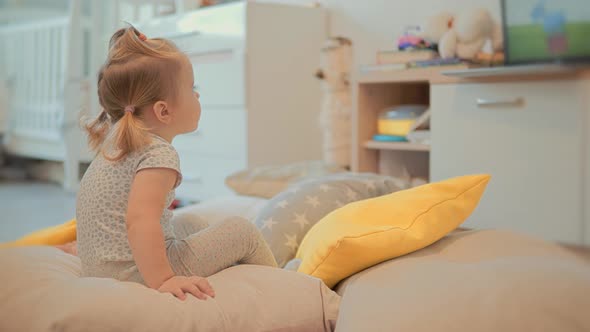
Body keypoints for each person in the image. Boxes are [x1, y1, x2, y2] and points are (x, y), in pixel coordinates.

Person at [75, 26, 277, 301]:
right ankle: (284, 282)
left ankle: (234, 266)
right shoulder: (158, 154)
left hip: (104, 266)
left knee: (190, 221)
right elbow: (140, 220)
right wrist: (164, 280)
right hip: (135, 273)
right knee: (242, 231)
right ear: (164, 111)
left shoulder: (116, 143)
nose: (197, 95)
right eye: (192, 88)